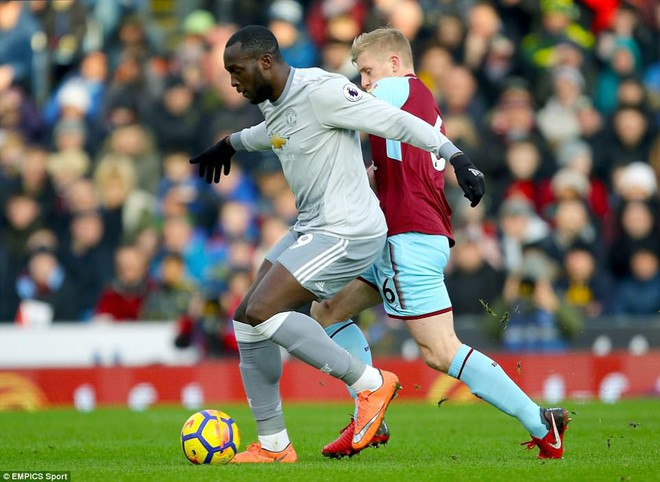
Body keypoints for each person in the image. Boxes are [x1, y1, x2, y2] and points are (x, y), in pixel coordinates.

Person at [188, 25, 485, 463]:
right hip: (313, 226)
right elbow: (271, 135)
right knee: (246, 322)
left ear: (265, 62)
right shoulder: (276, 103)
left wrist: (456, 156)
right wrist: (229, 144)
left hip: (348, 230)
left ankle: (371, 384)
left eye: (237, 70)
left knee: (261, 311)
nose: (233, 80)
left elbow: (397, 122)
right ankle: (274, 446)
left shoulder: (322, 90)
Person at [310, 27, 569, 460]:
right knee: (327, 309)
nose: (364, 82)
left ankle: (539, 420)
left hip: (406, 238)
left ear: (394, 63)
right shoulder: (418, 98)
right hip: (401, 235)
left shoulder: (395, 88)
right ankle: (369, 412)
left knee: (439, 350)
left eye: (367, 71)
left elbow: (346, 110)